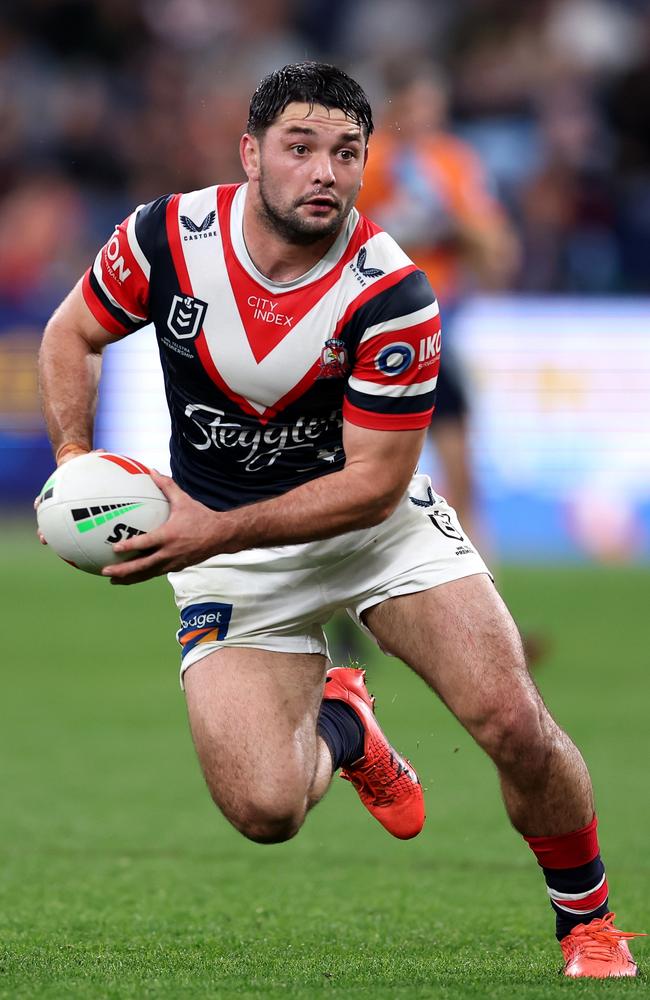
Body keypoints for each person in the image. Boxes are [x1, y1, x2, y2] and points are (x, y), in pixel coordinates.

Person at [38, 62, 642, 978]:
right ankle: (345, 725)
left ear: (368, 162)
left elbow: (371, 486)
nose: (324, 170)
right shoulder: (165, 236)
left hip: (373, 534)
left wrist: (205, 531)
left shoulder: (391, 293)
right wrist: (76, 463)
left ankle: (589, 921)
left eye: (347, 152)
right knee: (264, 812)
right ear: (251, 154)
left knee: (514, 722)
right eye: (300, 147)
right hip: (233, 558)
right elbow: (68, 334)